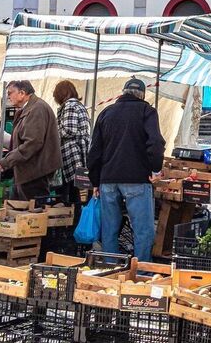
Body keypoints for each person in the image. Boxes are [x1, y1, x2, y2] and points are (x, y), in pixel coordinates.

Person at [87, 78, 165, 261]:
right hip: (137, 179)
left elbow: (94, 152)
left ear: (122, 92)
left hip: (108, 180)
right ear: (143, 95)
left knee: (109, 229)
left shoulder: (106, 113)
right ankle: (142, 272)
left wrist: (95, 180)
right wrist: (155, 170)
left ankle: (111, 269)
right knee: (142, 230)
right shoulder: (147, 111)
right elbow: (156, 143)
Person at [0, 80, 62, 200]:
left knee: (31, 213)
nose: (8, 97)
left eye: (10, 93)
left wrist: (6, 161)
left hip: (34, 172)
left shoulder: (37, 109)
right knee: (17, 209)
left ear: (22, 93)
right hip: (28, 170)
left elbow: (33, 143)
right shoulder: (31, 108)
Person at [54, 81, 90, 205]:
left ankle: (74, 219)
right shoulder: (79, 105)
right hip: (81, 151)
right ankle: (79, 216)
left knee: (73, 190)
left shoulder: (69, 105)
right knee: (81, 188)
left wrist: (52, 132)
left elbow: (69, 130)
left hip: (72, 152)